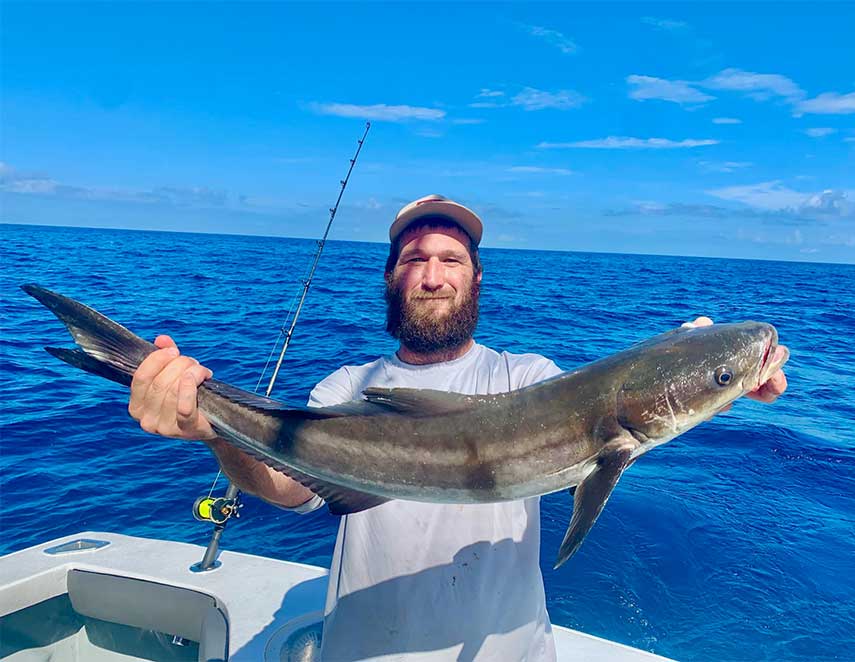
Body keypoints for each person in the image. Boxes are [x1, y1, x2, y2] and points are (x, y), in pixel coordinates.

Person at [127, 194, 788, 661]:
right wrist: (212, 427)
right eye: (416, 259)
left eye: (451, 260)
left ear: (476, 278)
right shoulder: (348, 389)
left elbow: (632, 384)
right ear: (392, 277)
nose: (433, 276)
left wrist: (717, 369)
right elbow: (285, 485)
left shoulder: (529, 378)